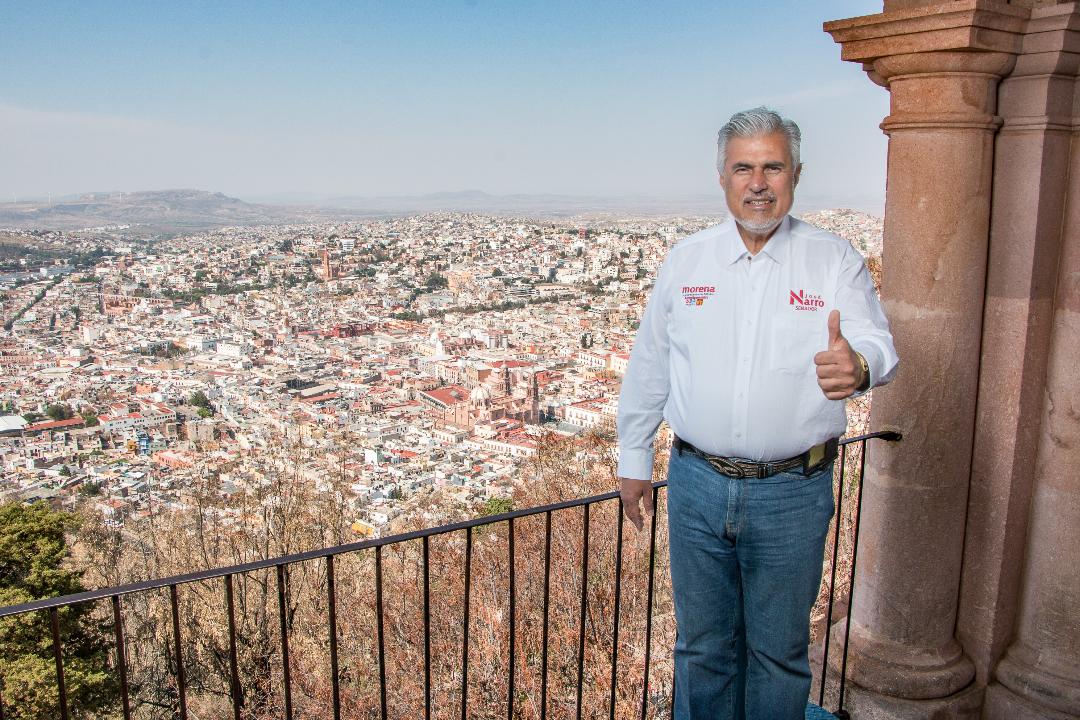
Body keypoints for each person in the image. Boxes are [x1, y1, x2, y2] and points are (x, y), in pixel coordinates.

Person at [616, 107, 898, 720]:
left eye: (773, 167)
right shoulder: (687, 261)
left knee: (778, 652)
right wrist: (634, 459)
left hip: (792, 490)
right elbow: (651, 364)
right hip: (695, 483)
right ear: (722, 176)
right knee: (701, 648)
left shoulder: (832, 260)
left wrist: (859, 366)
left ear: (797, 174)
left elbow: (877, 341)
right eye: (744, 168)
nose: (759, 183)